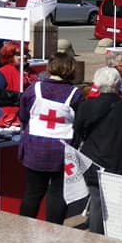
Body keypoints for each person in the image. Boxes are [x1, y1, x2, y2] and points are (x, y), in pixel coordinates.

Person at [74, 67, 122, 234]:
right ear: (118, 84)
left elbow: (78, 131)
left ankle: (96, 236)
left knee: (97, 200)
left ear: (97, 84)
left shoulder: (86, 106)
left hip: (94, 159)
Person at [18, 54, 83, 225]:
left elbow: (24, 115)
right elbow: (79, 122)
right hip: (62, 149)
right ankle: (54, 230)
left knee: (32, 192)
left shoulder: (34, 88)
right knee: (57, 193)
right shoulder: (76, 94)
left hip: (35, 147)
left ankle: (23, 228)